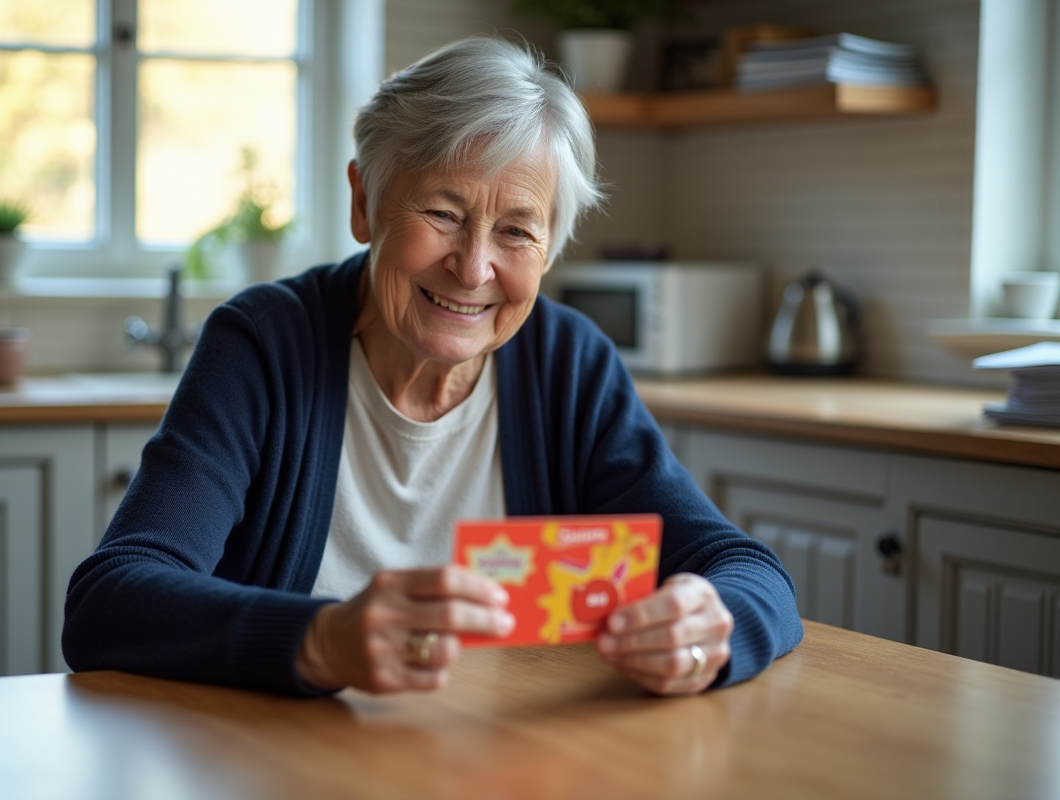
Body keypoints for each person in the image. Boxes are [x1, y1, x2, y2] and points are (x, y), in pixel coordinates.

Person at [63, 37, 802, 698]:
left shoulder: (569, 363)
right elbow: (110, 602)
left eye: (516, 231)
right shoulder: (263, 345)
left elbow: (746, 569)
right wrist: (320, 641)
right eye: (443, 214)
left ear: (549, 250)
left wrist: (711, 627)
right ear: (364, 202)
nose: (474, 267)